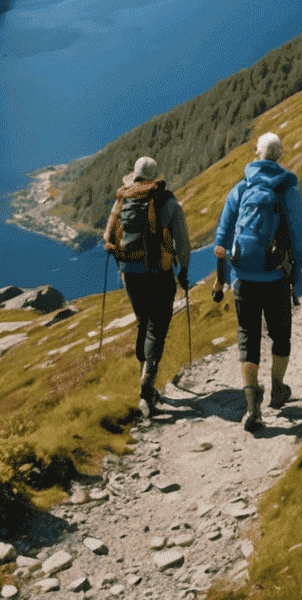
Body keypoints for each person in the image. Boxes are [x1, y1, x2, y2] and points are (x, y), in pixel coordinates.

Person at [212, 132, 302, 432]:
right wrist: (299, 269)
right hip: (277, 278)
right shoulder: (288, 191)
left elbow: (222, 238)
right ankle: (278, 388)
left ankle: (253, 408)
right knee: (280, 336)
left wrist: (221, 278)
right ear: (279, 156)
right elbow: (299, 239)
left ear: (257, 153)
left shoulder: (240, 189)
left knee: (248, 339)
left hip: (244, 279)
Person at [104, 156, 191, 420]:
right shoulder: (168, 202)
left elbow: (107, 237)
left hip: (130, 274)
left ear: (135, 176)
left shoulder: (123, 199)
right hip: (159, 274)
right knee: (158, 326)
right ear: (155, 177)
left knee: (143, 322)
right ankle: (148, 382)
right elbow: (183, 243)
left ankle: (145, 378)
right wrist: (183, 272)